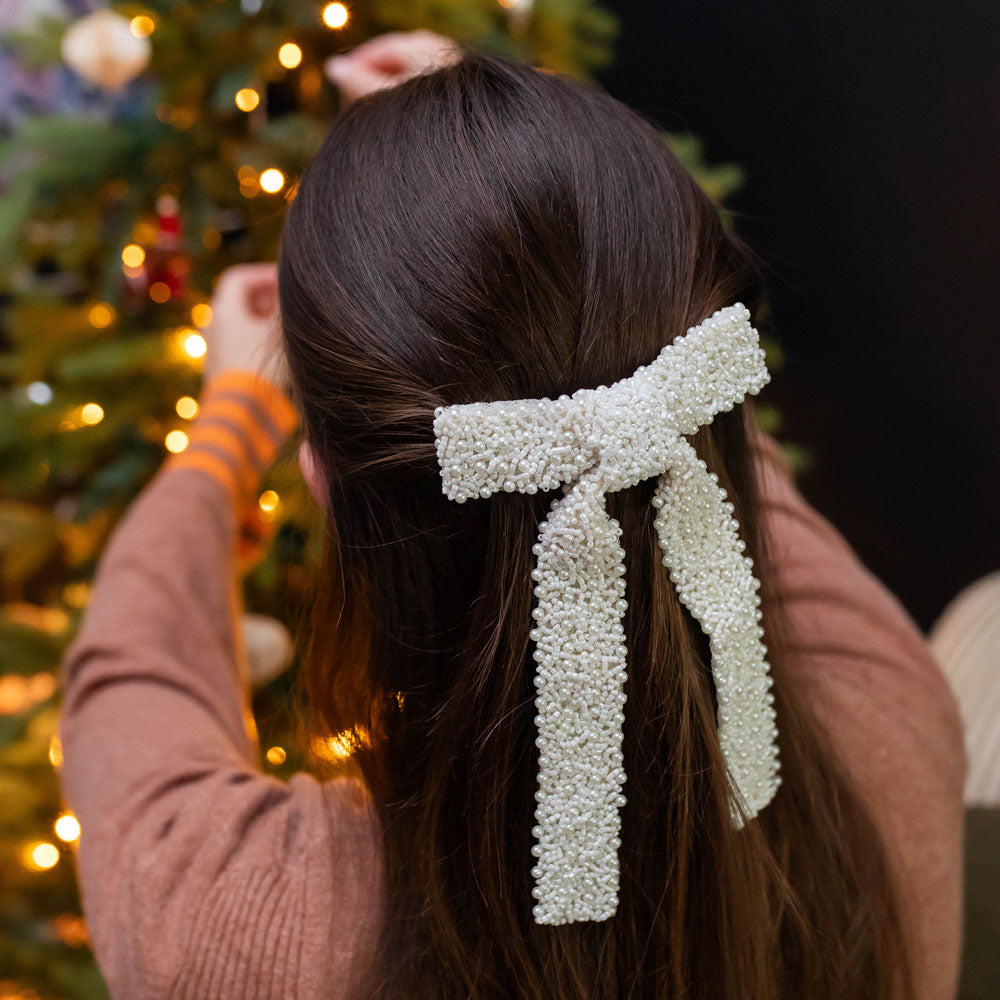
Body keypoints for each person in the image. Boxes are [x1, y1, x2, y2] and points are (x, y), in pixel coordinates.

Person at [58, 32, 966, 1000]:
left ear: (320, 480)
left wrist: (232, 422)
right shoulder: (891, 716)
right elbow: (697, 441)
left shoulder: (232, 921)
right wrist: (529, 169)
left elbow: (130, 672)